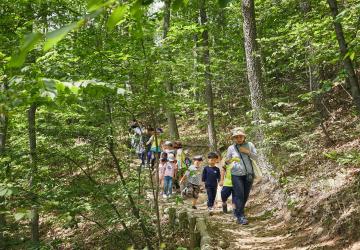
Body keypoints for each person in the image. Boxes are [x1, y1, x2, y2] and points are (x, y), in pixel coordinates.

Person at [225, 127, 258, 225]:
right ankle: (240, 216)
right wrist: (230, 160)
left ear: (244, 137)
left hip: (249, 174)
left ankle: (237, 211)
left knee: (245, 195)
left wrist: (247, 152)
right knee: (239, 195)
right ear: (234, 138)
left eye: (241, 136)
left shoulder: (250, 145)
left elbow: (256, 157)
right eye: (236, 137)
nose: (239, 138)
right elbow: (227, 161)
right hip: (236, 175)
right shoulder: (231, 148)